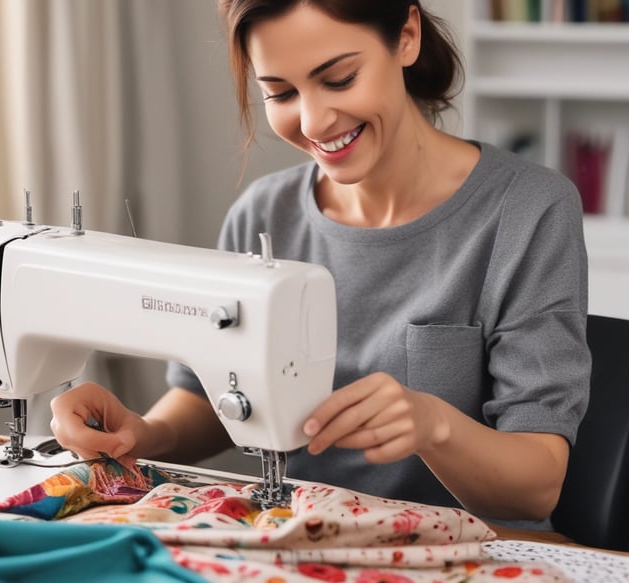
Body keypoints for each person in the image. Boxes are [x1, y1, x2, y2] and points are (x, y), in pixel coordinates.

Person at [50, 0, 591, 527]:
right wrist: (141, 434)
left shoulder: (528, 210)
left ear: (406, 36)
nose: (313, 121)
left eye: (339, 79)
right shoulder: (262, 214)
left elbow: (536, 485)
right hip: (302, 545)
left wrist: (433, 425)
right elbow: (209, 398)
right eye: (280, 93)